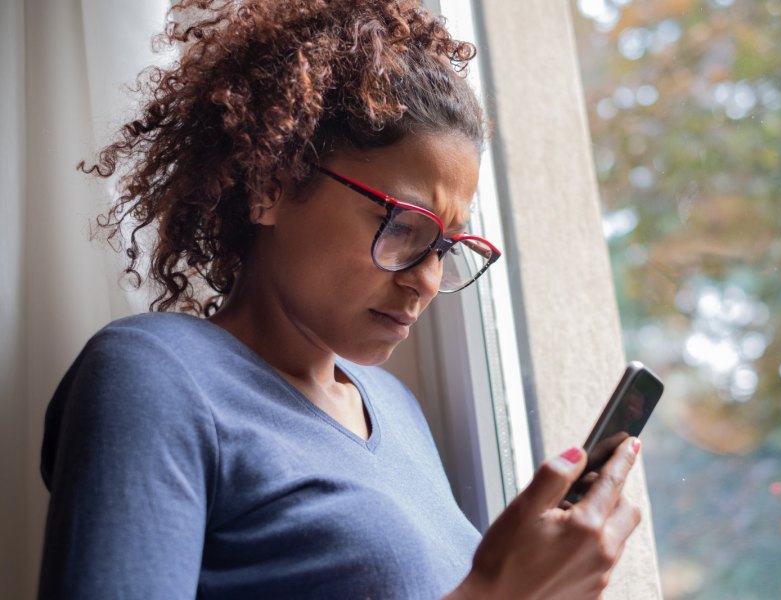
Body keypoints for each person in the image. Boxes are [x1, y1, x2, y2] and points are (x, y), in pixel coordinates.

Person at [38, 0, 643, 598]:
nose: (427, 281)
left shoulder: (394, 409)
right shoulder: (156, 376)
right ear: (270, 186)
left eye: (446, 247)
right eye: (403, 226)